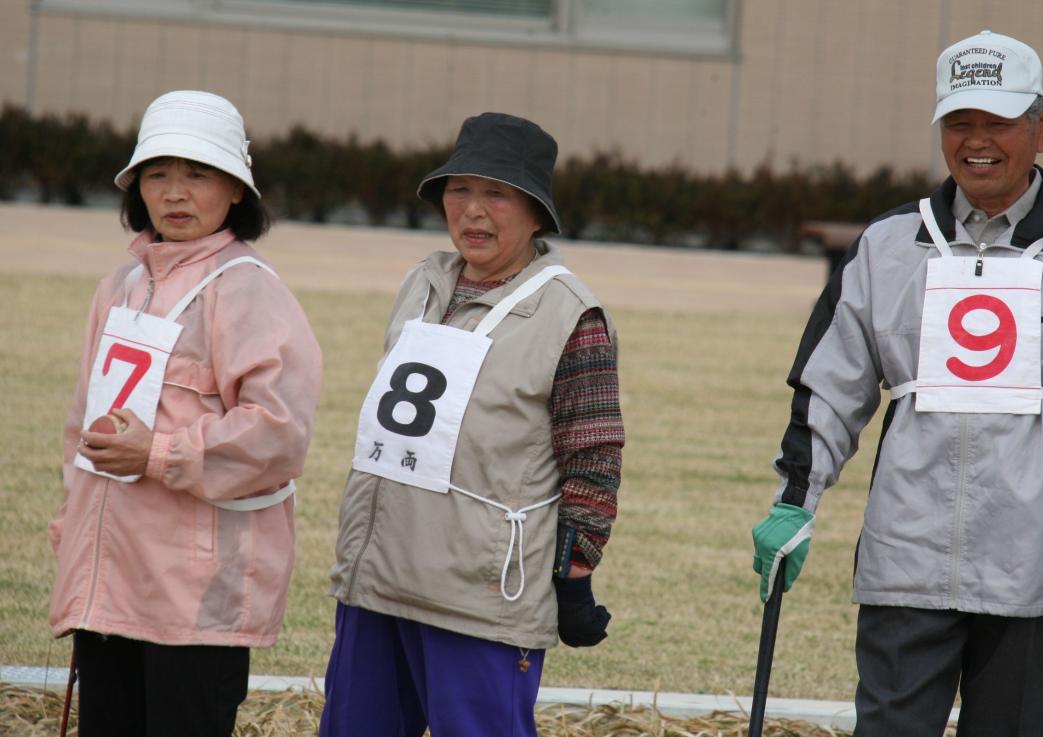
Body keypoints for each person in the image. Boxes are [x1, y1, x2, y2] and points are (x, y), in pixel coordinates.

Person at [751, 30, 1043, 737]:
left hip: (1033, 571)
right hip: (904, 560)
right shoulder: (887, 245)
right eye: (960, 122)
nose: (978, 140)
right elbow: (832, 382)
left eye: (998, 121)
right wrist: (795, 500)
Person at [320, 112, 624, 737]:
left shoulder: (570, 314)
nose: (473, 211)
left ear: (536, 212)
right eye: (459, 191)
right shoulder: (423, 283)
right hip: (378, 579)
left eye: (497, 194)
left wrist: (575, 577)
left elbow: (594, 461)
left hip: (480, 599)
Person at [48, 90, 323, 737]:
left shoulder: (249, 288)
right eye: (158, 173)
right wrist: (74, 530)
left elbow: (279, 432)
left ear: (235, 189)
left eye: (197, 173)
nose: (175, 191)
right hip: (108, 588)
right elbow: (82, 427)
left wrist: (160, 453)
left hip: (194, 599)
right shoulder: (119, 285)